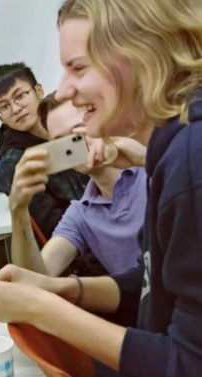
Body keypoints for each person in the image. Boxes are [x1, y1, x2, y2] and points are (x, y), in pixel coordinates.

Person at [0, 0, 202, 377]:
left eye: (78, 67)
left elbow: (190, 369)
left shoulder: (184, 162)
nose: (66, 88)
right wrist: (59, 288)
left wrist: (42, 308)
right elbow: (152, 281)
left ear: (141, 53)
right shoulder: (166, 155)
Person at [9, 93, 147, 277]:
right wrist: (18, 211)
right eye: (60, 141)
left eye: (78, 132)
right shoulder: (81, 213)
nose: (73, 146)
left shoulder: (152, 172)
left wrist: (148, 159)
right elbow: (34, 278)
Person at [0, 63, 88, 239]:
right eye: (4, 106)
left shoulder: (69, 113)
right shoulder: (15, 164)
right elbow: (53, 226)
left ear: (38, 91)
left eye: (20, 96)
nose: (16, 109)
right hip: (83, 240)